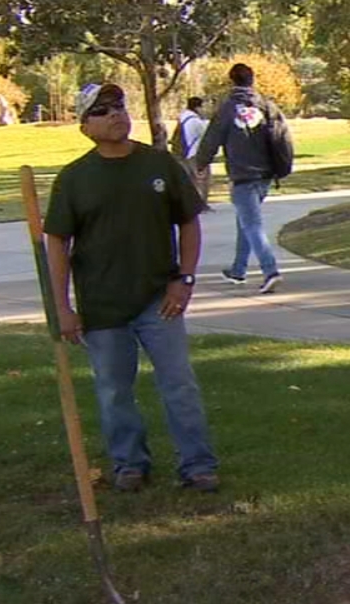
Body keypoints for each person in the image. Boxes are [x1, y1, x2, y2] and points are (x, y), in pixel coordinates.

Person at [43, 83, 220, 493]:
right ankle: (129, 464)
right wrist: (62, 307)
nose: (115, 115)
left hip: (159, 298)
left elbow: (189, 222)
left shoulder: (158, 164)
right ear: (85, 126)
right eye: (102, 110)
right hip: (102, 305)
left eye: (119, 106)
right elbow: (57, 243)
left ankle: (197, 465)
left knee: (179, 383)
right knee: (113, 391)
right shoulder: (74, 179)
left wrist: (185, 278)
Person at [192, 64, 288, 294]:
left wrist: (200, 163)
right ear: (252, 79)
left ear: (232, 81)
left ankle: (270, 271)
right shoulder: (266, 106)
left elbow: (211, 139)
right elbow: (282, 137)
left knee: (252, 224)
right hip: (265, 175)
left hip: (243, 175)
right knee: (245, 220)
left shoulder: (228, 109)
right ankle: (238, 269)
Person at [174, 96, 213, 205]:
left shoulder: (183, 118)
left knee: (190, 180)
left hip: (183, 154)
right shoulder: (196, 121)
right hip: (196, 153)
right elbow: (206, 133)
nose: (204, 110)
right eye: (202, 107)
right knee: (202, 179)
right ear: (197, 108)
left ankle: (191, 204)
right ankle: (201, 204)